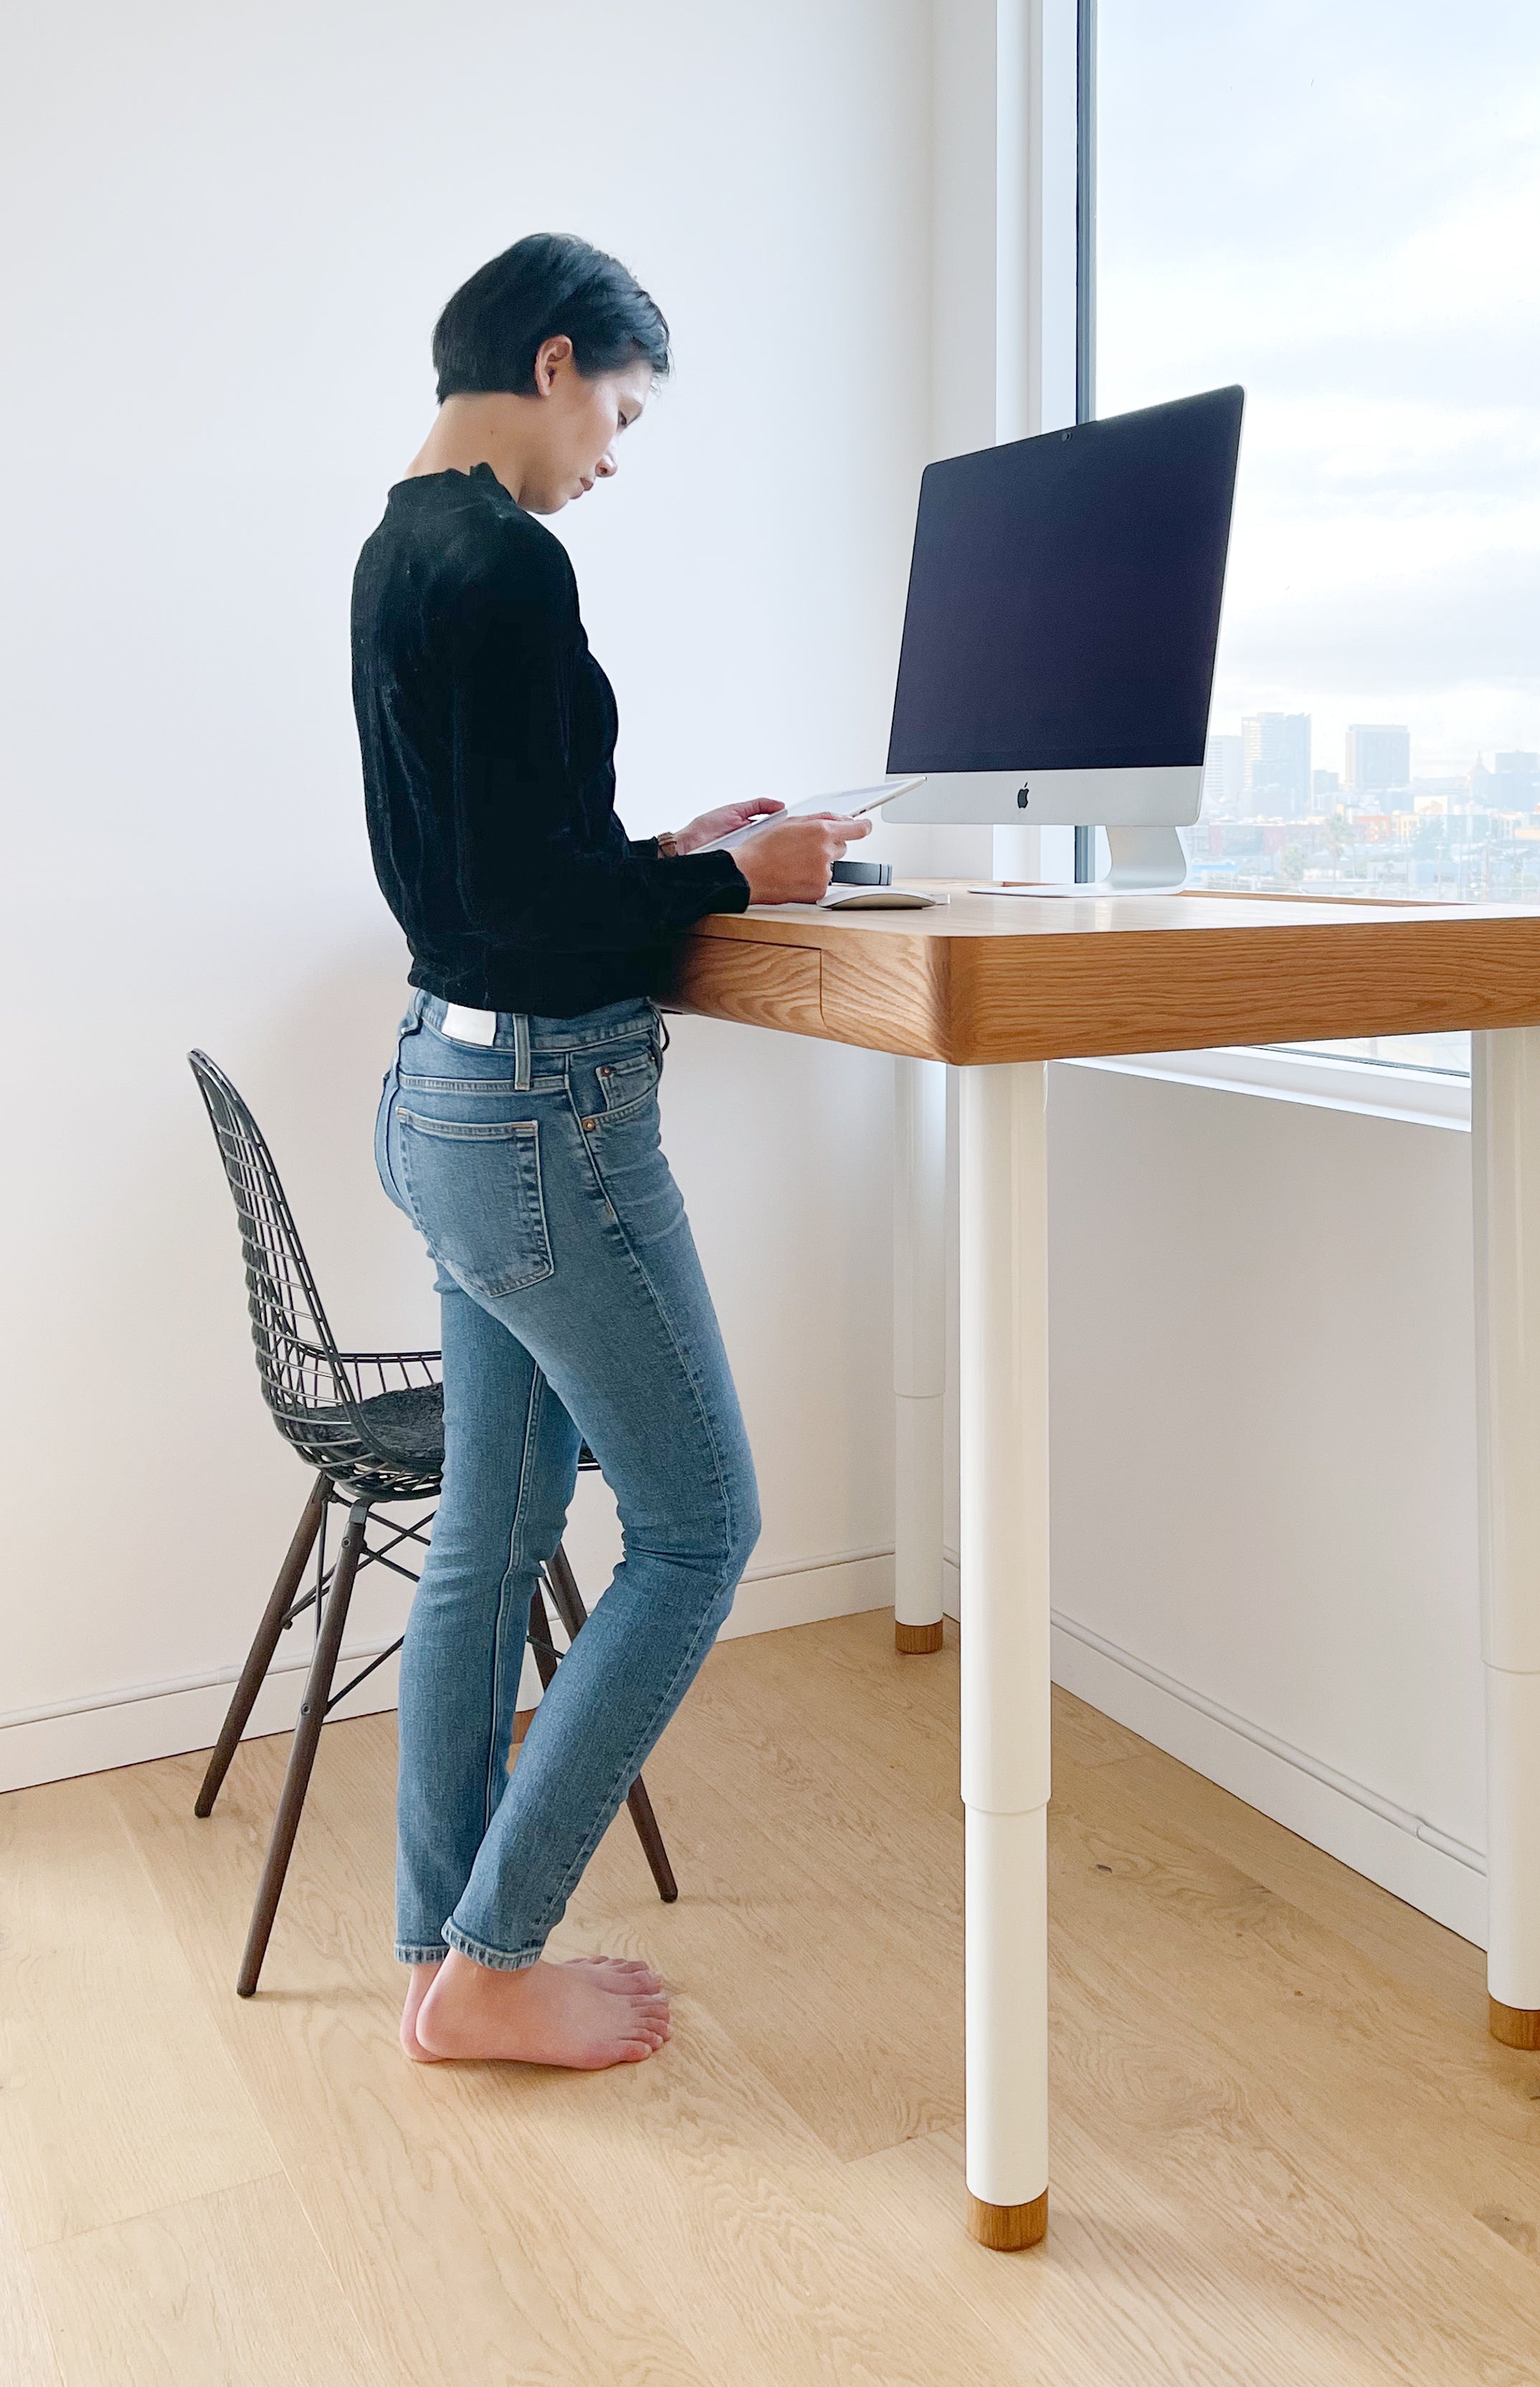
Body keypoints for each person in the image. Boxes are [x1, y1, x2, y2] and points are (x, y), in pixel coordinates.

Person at [352, 233, 868, 2070]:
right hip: (544, 1121)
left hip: (448, 1089)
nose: (616, 455)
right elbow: (528, 909)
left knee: (490, 1543)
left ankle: (438, 1945)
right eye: (622, 411)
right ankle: (492, 1963)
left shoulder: (396, 546)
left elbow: (493, 883)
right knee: (703, 1525)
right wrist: (743, 877)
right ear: (557, 360)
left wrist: (667, 855)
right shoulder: (506, 554)